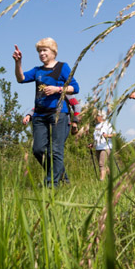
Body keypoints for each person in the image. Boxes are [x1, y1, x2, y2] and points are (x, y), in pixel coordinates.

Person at [14, 38, 80, 188]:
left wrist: (58, 89)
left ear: (53, 52)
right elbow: (21, 78)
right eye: (39, 51)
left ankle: (51, 183)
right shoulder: (37, 70)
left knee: (56, 149)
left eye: (45, 50)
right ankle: (60, 175)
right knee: (38, 149)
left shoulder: (63, 67)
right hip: (39, 115)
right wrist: (18, 62)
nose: (41, 53)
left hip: (58, 113)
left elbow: (75, 87)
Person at [92, 110, 115, 180]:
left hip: (105, 147)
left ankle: (101, 180)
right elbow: (97, 138)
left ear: (101, 116)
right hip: (98, 147)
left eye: (97, 116)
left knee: (101, 164)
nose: (96, 117)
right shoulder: (96, 126)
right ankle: (111, 178)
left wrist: (107, 135)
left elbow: (114, 134)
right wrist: (92, 144)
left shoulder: (107, 124)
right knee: (103, 165)